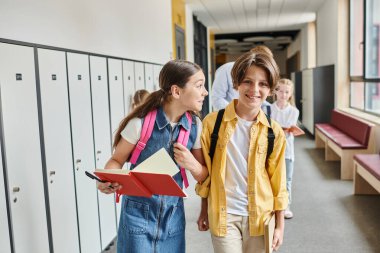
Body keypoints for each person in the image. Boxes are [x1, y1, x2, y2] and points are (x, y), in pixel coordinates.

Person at [97, 60, 209, 253]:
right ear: (176, 91)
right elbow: (116, 160)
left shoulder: (195, 127)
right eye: (199, 86)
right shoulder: (140, 124)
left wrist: (192, 164)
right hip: (136, 215)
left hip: (173, 216)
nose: (205, 92)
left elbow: (203, 176)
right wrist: (107, 179)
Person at [196, 50, 288, 253]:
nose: (254, 89)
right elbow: (207, 173)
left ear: (271, 89)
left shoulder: (274, 132)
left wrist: (280, 225)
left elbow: (278, 182)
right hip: (224, 215)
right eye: (248, 81)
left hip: (261, 217)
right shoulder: (212, 123)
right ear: (237, 83)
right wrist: (204, 209)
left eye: (263, 84)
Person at [211, 45, 273, 114]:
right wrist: (237, 113)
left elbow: (255, 97)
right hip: (227, 118)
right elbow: (217, 98)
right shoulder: (226, 69)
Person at [270, 79, 300, 219]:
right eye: (280, 91)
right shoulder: (269, 108)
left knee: (287, 179)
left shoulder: (294, 111)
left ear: (290, 94)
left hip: (288, 151)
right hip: (272, 150)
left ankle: (286, 206)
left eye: (286, 92)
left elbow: (287, 132)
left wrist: (278, 129)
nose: (283, 94)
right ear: (275, 91)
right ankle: (271, 205)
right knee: (271, 178)